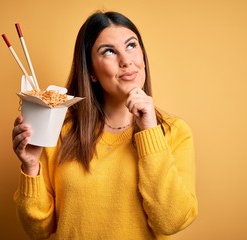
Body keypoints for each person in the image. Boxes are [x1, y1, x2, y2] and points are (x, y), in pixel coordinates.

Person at [12, 11, 198, 239]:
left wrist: (150, 132)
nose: (126, 61)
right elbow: (38, 230)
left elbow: (171, 222)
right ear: (91, 72)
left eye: (131, 46)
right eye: (109, 51)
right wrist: (31, 167)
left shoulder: (174, 132)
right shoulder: (60, 131)